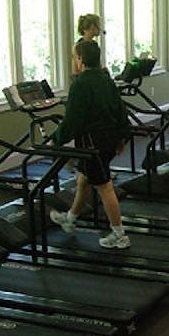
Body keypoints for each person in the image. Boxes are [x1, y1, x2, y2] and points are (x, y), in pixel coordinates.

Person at [49, 40, 131, 249]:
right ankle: (70, 219)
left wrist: (56, 139)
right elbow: (120, 110)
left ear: (80, 59)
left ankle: (119, 235)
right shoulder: (106, 79)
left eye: (74, 57)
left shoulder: (80, 84)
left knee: (104, 187)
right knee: (83, 179)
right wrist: (122, 137)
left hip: (93, 144)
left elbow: (72, 120)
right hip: (109, 138)